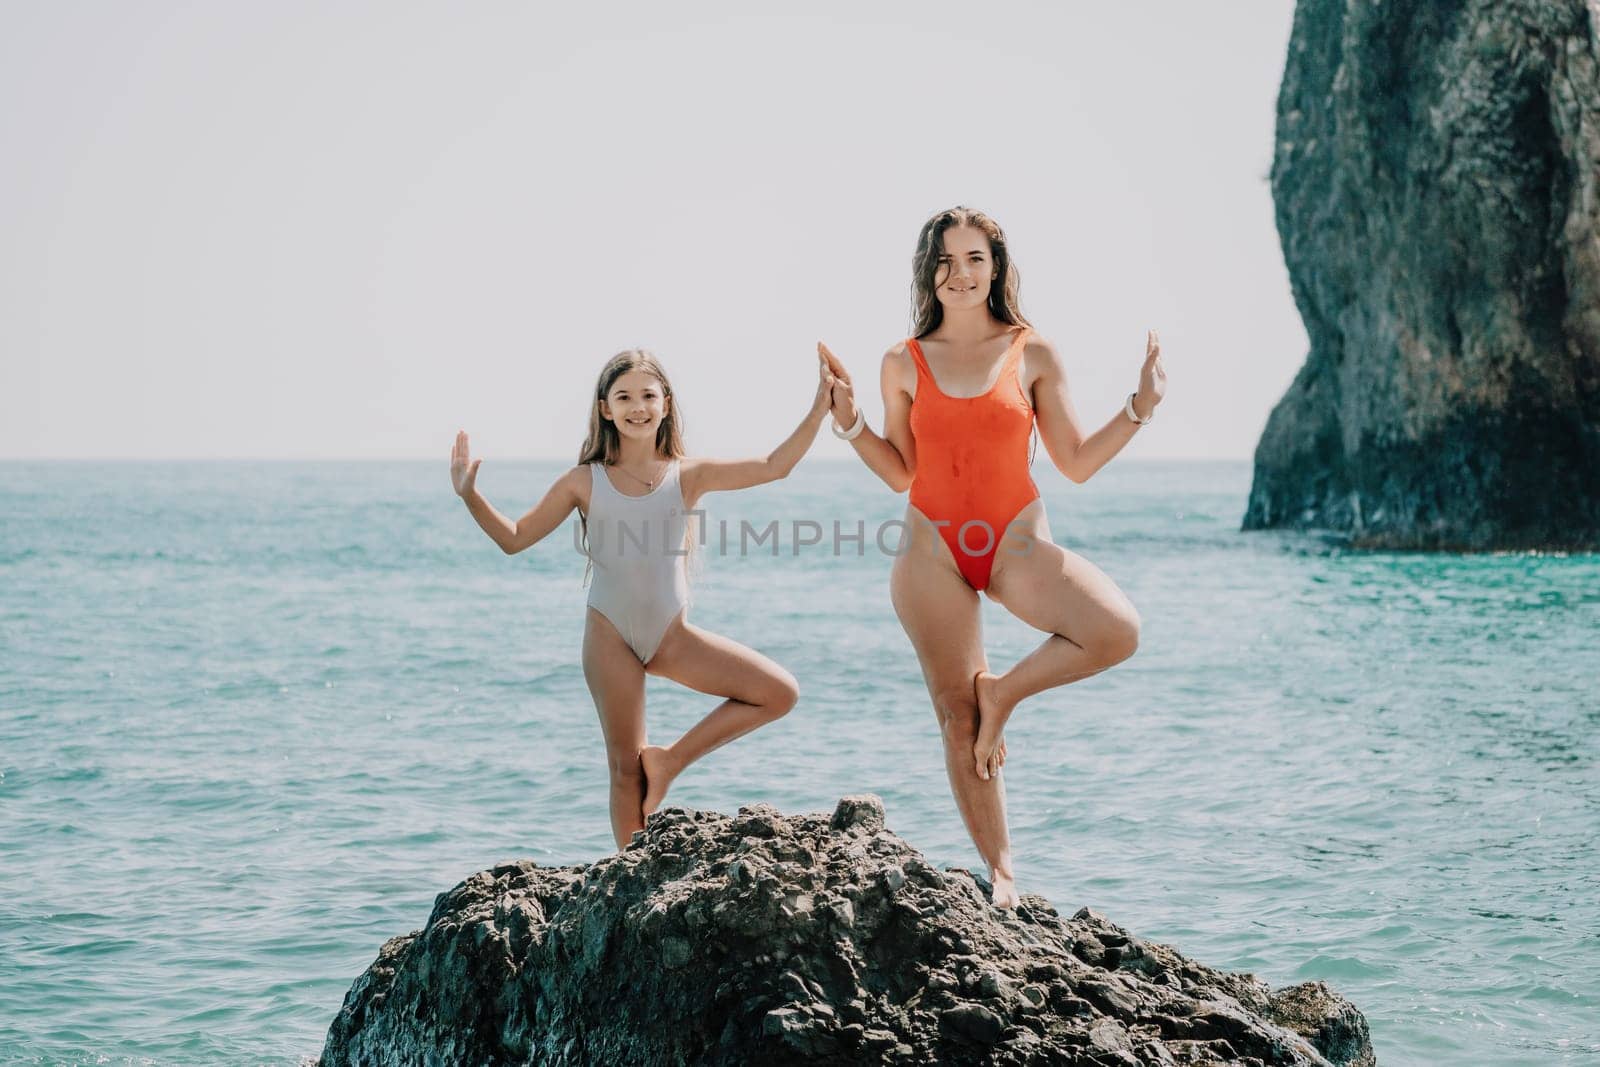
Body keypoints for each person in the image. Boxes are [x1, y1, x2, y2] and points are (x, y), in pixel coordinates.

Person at [821, 206, 1167, 907]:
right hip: (931, 551)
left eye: (975, 258)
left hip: (1015, 540)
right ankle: (1003, 869)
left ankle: (1003, 691)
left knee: (1117, 629)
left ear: (996, 267)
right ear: (930, 272)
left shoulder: (1031, 352)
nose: (961, 273)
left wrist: (1139, 405)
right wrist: (850, 420)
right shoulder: (902, 360)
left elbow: (1073, 462)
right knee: (956, 715)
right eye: (946, 260)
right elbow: (899, 471)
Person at [451, 347, 835, 848]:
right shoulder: (583, 481)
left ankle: (671, 759)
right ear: (605, 408)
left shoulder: (687, 475)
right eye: (624, 396)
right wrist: (470, 495)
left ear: (666, 404)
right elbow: (515, 538)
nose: (638, 406)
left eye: (648, 396)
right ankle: (629, 879)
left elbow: (774, 465)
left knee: (779, 692)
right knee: (623, 771)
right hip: (609, 636)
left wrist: (819, 406)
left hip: (670, 635)